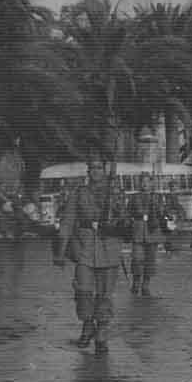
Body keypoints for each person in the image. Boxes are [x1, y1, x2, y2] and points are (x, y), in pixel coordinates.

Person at [52, 151, 127, 355]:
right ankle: (87, 324)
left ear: (105, 170)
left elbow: (124, 219)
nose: (95, 172)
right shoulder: (79, 192)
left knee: (104, 293)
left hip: (109, 247)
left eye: (99, 168)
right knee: (83, 290)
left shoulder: (116, 192)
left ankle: (101, 331)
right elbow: (67, 221)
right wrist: (60, 250)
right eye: (92, 168)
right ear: (88, 171)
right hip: (84, 247)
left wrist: (116, 211)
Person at [127, 173, 168, 296]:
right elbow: (128, 213)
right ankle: (136, 282)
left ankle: (145, 285)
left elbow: (163, 212)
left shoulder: (158, 197)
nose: (144, 184)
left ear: (151, 183)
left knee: (150, 261)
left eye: (147, 181)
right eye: (142, 181)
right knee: (137, 259)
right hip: (138, 231)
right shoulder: (134, 197)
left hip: (153, 231)